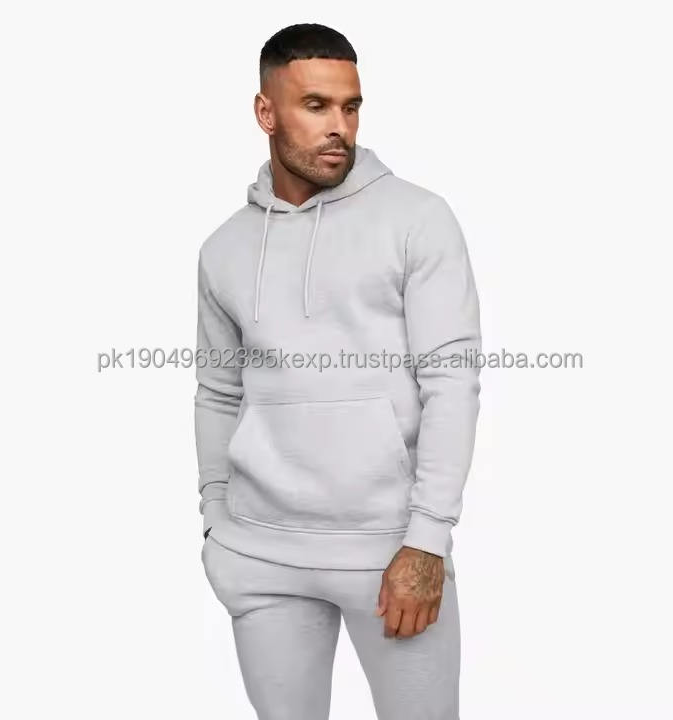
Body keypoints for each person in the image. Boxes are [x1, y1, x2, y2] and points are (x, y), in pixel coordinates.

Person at [194, 22, 481, 720]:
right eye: (315, 105)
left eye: (350, 107)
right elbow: (218, 392)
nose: (339, 128)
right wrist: (215, 520)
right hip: (258, 554)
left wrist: (426, 541)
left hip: (390, 555)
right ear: (265, 112)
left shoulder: (417, 219)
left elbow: (452, 381)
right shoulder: (225, 247)